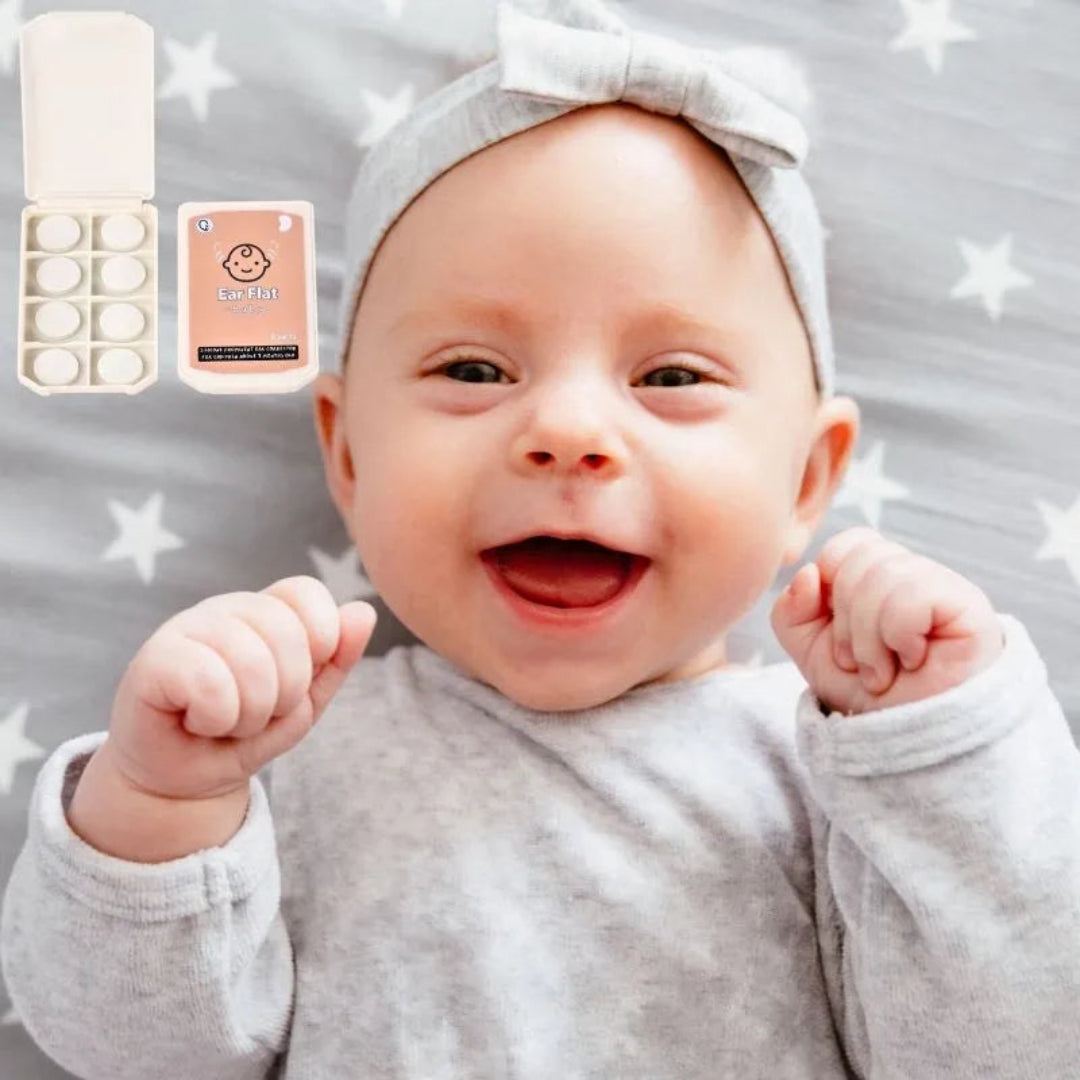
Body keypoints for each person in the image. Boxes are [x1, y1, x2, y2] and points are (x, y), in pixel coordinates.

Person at [3, 1, 1078, 1077]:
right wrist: (158, 804)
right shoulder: (293, 756)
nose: (566, 433)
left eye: (671, 378)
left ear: (806, 477)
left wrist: (950, 756)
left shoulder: (834, 773)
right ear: (349, 454)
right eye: (474, 371)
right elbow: (135, 1053)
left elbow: (1016, 1047)